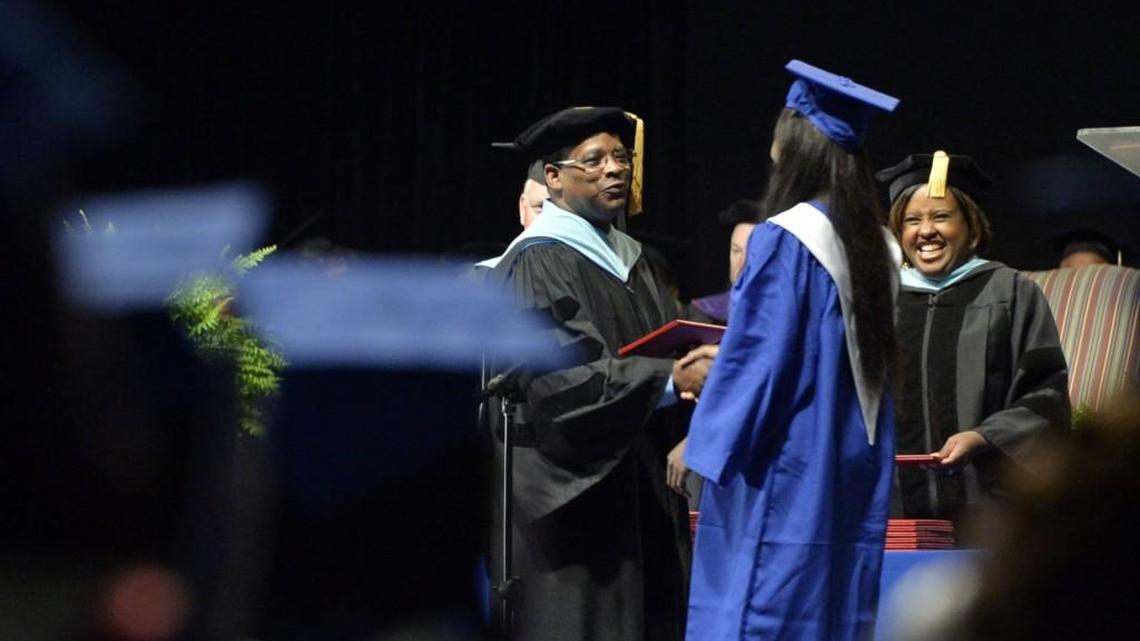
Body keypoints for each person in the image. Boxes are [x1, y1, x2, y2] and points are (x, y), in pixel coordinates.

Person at [682, 59, 901, 640]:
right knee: (834, 605)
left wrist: (708, 411)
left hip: (788, 456)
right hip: (856, 456)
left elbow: (762, 355)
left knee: (761, 606)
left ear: (797, 142)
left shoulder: (787, 236)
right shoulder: (877, 243)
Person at [484, 106, 717, 641]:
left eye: (621, 157)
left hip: (639, 488)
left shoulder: (634, 261)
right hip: (572, 510)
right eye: (594, 160)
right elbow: (561, 383)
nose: (615, 169)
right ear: (554, 178)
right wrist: (669, 380)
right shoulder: (538, 261)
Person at [875, 150, 1071, 526]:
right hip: (893, 515)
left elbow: (1047, 394)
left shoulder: (1010, 292)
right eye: (912, 220)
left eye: (941, 216)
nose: (926, 231)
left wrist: (985, 438)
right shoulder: (880, 304)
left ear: (972, 224)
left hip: (990, 508)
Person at [687, 198, 763, 324]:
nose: (741, 264)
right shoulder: (705, 312)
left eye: (752, 253)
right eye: (736, 250)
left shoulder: (788, 315)